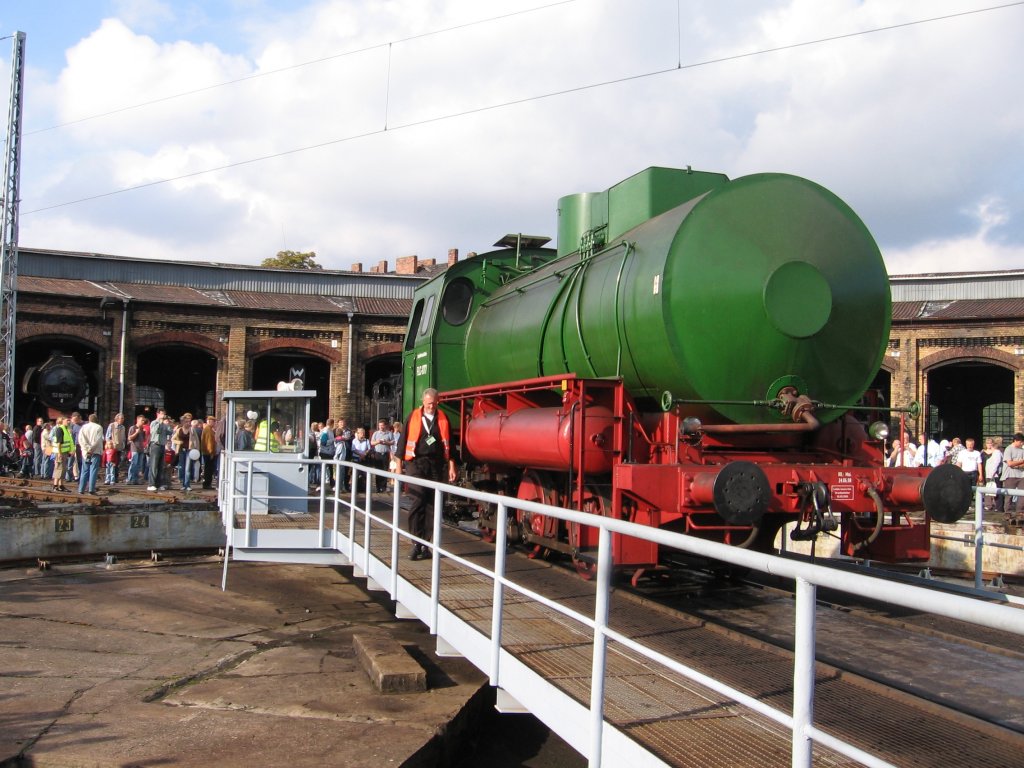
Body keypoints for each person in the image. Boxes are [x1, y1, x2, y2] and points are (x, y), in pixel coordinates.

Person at [394, 388, 458, 561]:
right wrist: (399, 468)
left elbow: (450, 444)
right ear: (423, 402)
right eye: (429, 403)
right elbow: (401, 444)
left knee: (433, 504)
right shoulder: (413, 417)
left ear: (438, 402)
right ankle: (416, 542)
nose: (431, 406)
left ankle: (427, 543)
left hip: (437, 466)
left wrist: (452, 465)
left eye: (434, 403)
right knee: (418, 499)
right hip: (416, 464)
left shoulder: (443, 418)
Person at [77, 413, 104, 495]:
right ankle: (91, 489)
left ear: (89, 419)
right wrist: (91, 449)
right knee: (93, 470)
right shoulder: (99, 427)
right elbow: (98, 440)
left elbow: (80, 439)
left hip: (85, 452)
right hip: (95, 451)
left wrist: (86, 449)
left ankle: (81, 489)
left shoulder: (83, 427)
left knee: (84, 470)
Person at [1000, 432, 1024, 522]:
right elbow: (1009, 463)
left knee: (1022, 494)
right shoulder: (1008, 449)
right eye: (1021, 442)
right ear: (1015, 441)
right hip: (1010, 475)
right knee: (1009, 494)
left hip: (1021, 475)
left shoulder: (1022, 450)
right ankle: (1008, 513)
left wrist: (1017, 465)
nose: (1022, 444)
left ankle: (1020, 512)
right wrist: (1021, 461)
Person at [147, 409, 173, 491]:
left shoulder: (165, 424)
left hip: (162, 445)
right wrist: (160, 422)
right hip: (155, 445)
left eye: (164, 413)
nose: (163, 415)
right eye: (162, 413)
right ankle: (151, 484)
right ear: (158, 414)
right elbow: (154, 431)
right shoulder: (154, 422)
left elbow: (170, 432)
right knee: (154, 465)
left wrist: (168, 424)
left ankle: (159, 483)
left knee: (160, 466)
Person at [370, 419, 396, 492]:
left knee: (385, 470)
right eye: (379, 425)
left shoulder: (389, 433)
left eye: (382, 425)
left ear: (385, 426)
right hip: (377, 454)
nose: (381, 427)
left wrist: (386, 442)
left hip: (385, 454)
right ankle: (378, 487)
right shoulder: (375, 433)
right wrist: (377, 442)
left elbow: (393, 442)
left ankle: (383, 487)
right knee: (378, 470)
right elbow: (372, 443)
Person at [51, 416, 73, 492]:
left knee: (63, 469)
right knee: (59, 468)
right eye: (67, 420)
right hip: (60, 452)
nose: (69, 422)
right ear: (62, 421)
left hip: (64, 452)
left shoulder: (66, 429)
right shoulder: (60, 429)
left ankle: (61, 485)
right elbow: (59, 443)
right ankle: (55, 485)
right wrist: (60, 453)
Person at [981, 437, 1003, 513]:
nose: (989, 445)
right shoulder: (982, 452)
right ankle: (988, 505)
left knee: (996, 488)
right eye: (987, 443)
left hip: (994, 474)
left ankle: (998, 506)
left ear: (993, 444)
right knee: (987, 488)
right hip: (985, 473)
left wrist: (993, 473)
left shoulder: (997, 452)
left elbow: (996, 463)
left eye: (990, 443)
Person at [104, 413, 127, 483]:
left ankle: (115, 478)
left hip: (119, 448)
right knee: (110, 463)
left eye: (123, 418)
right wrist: (109, 445)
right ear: (117, 419)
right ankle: (108, 479)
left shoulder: (123, 427)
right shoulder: (112, 425)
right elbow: (107, 436)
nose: (123, 419)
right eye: (121, 418)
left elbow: (123, 438)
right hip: (112, 448)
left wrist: (123, 445)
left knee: (117, 463)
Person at [200, 415, 220, 490]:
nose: (215, 423)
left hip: (207, 452)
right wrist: (211, 452)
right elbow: (209, 442)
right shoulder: (208, 430)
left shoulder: (209, 429)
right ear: (210, 421)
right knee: (208, 469)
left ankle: (207, 483)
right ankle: (207, 484)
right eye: (214, 422)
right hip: (208, 453)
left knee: (208, 468)